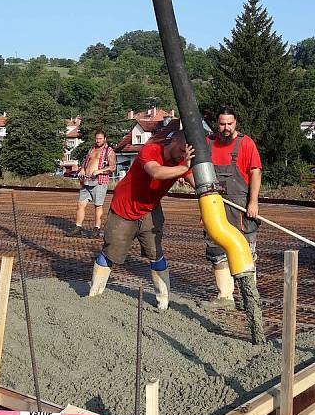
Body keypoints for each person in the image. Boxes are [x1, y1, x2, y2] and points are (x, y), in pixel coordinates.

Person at [88, 129, 194, 310]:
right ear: (174, 141)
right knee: (110, 253)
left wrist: (209, 197)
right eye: (182, 152)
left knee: (156, 254)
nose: (182, 157)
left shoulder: (182, 163)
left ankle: (163, 302)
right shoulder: (151, 150)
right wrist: (183, 168)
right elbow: (156, 172)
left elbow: (198, 184)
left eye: (186, 154)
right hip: (124, 209)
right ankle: (94, 295)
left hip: (150, 212)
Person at [191, 107, 265, 344]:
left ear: (236, 123)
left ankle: (248, 297)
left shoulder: (246, 144)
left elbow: (255, 173)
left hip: (241, 207)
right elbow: (191, 170)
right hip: (215, 206)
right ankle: (226, 296)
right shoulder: (207, 144)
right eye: (222, 124)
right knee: (217, 252)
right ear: (216, 124)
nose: (226, 128)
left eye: (229, 124)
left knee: (246, 250)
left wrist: (253, 202)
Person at [67, 130, 116, 238]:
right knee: (81, 204)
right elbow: (86, 162)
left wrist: (100, 171)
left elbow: (113, 167)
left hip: (99, 182)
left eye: (100, 139)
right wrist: (82, 169)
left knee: (98, 205)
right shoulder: (92, 149)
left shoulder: (109, 151)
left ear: (105, 139)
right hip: (86, 181)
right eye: (97, 138)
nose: (98, 141)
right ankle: (78, 227)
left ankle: (97, 228)